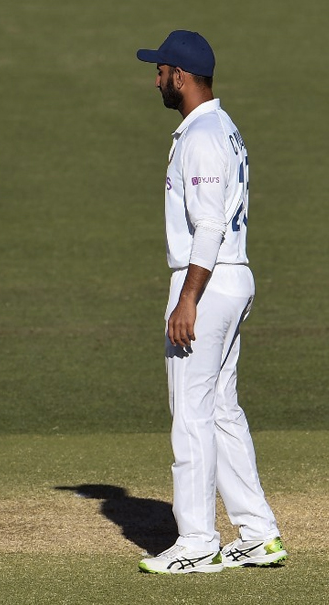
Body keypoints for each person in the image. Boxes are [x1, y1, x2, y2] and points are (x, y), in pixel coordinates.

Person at [135, 31, 286, 574]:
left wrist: (188, 299)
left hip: (208, 281)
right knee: (221, 409)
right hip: (231, 277)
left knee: (192, 413)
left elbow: (210, 225)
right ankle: (258, 533)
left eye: (160, 71)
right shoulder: (223, 127)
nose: (155, 80)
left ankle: (197, 542)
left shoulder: (201, 135)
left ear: (180, 76)